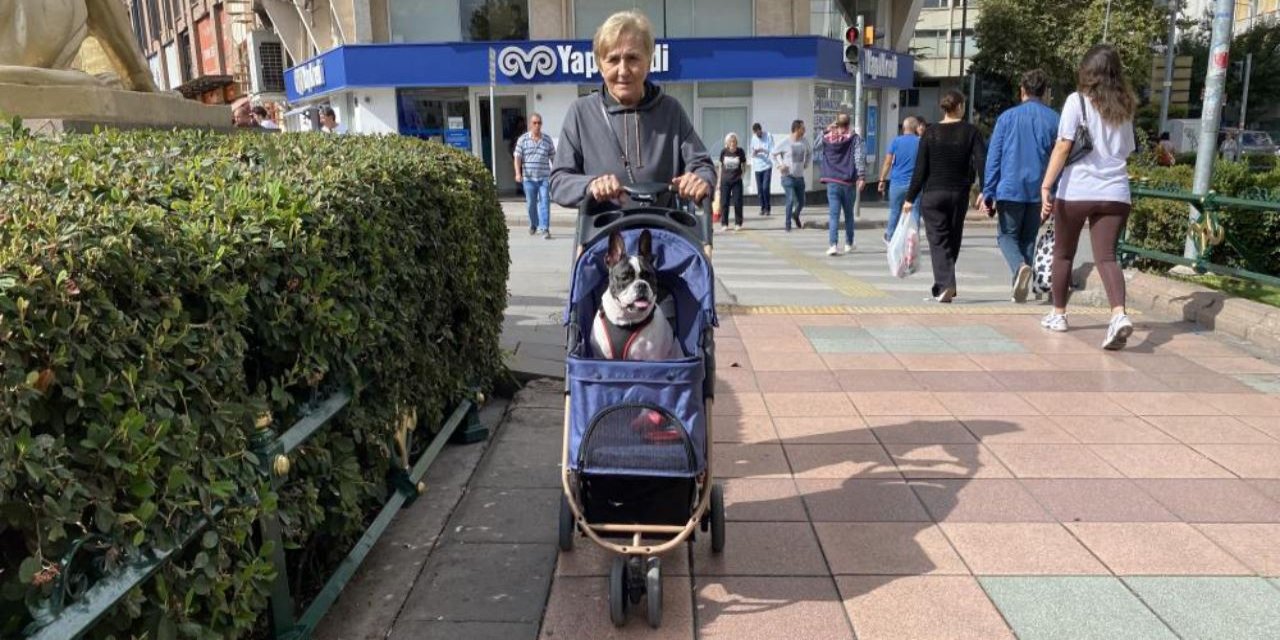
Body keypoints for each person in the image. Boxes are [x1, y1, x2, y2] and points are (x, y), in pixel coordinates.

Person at [549, 12, 713, 210]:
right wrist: (590, 185)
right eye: (613, 60)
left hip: (662, 235)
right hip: (602, 236)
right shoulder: (581, 112)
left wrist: (699, 179)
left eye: (632, 58)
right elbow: (559, 181)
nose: (623, 70)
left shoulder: (670, 110)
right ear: (600, 65)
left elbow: (702, 164)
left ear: (649, 61)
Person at [1038, 44, 1137, 349]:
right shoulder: (1126, 106)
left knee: (1063, 253)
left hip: (1077, 190)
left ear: (1087, 72)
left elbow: (1064, 145)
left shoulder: (1076, 102)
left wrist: (1046, 185)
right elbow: (1127, 150)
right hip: (1116, 191)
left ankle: (1058, 314)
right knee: (1106, 257)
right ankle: (1119, 314)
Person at [982, 69, 1059, 303]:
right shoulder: (1056, 119)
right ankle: (1021, 287)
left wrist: (988, 191)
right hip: (1040, 189)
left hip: (1010, 187)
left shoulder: (1007, 118)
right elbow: (1061, 159)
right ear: (1045, 92)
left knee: (1006, 236)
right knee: (1028, 237)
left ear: (1022, 91)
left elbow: (994, 156)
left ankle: (1019, 268)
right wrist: (1054, 193)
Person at [902, 91, 987, 302]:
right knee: (953, 239)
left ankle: (945, 284)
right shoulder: (971, 131)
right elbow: (981, 161)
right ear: (959, 106)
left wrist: (909, 198)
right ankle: (944, 284)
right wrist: (986, 190)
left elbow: (920, 169)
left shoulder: (930, 133)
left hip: (933, 195)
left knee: (939, 241)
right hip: (959, 193)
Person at [816, 113, 865, 256]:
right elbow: (858, 157)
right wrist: (861, 176)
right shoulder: (854, 139)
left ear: (836, 123)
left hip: (832, 181)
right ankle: (849, 244)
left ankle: (833, 245)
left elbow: (815, 145)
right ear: (848, 124)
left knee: (833, 215)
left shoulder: (827, 137)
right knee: (849, 214)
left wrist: (826, 130)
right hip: (848, 182)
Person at [878, 116, 922, 243]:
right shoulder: (921, 142)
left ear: (903, 128)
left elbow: (888, 162)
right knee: (914, 213)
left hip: (897, 183)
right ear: (916, 128)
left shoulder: (896, 142)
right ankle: (913, 241)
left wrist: (882, 179)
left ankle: (890, 237)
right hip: (915, 184)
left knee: (895, 211)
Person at [515, 112, 557, 239]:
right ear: (530, 124)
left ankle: (544, 228)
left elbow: (553, 158)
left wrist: (556, 172)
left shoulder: (547, 140)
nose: (537, 125)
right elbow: (517, 157)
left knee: (545, 201)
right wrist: (518, 173)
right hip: (528, 179)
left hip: (544, 177)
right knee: (531, 204)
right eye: (534, 123)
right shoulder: (523, 140)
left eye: (539, 123)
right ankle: (534, 224)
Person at [772, 119, 811, 232]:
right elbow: (773, 154)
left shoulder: (804, 141)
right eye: (802, 128)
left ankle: (795, 215)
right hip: (787, 176)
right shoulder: (786, 141)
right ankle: (787, 224)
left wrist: (806, 163)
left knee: (801, 202)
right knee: (790, 199)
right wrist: (779, 166)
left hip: (799, 176)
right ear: (797, 129)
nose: (804, 131)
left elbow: (809, 152)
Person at [718, 133, 748, 231]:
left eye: (734, 141)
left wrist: (742, 176)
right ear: (727, 142)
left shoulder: (740, 151)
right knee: (724, 202)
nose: (732, 143)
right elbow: (720, 167)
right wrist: (719, 181)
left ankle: (738, 223)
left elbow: (744, 165)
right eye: (730, 141)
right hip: (725, 180)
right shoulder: (723, 152)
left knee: (738, 202)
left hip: (737, 181)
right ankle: (724, 223)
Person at [749, 123, 774, 216]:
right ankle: (762, 207)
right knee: (760, 189)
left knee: (765, 187)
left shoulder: (768, 136)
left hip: (767, 165)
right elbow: (751, 153)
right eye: (756, 133)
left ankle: (768, 208)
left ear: (761, 130)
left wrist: (763, 150)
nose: (757, 135)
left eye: (759, 133)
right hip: (757, 166)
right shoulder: (753, 138)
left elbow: (772, 150)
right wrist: (754, 152)